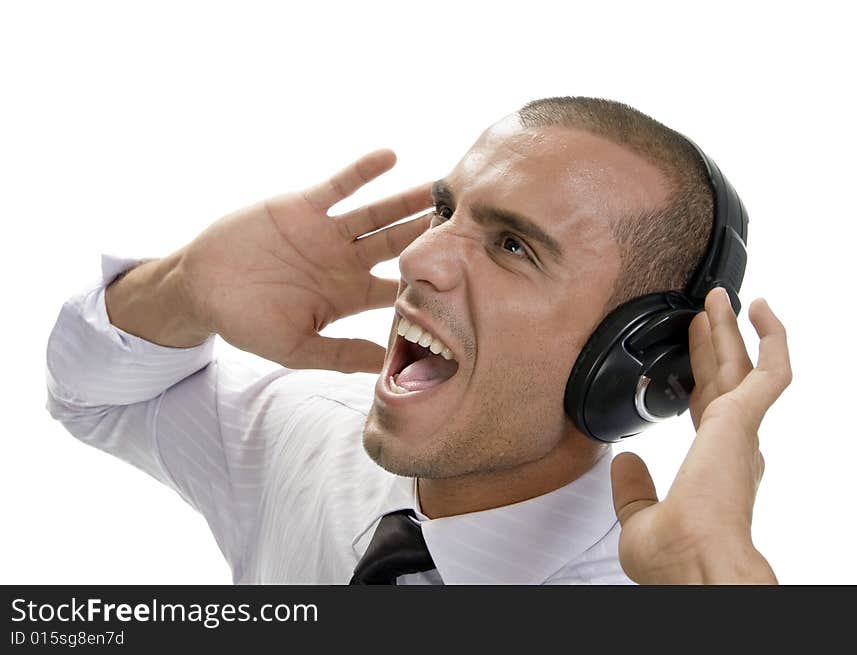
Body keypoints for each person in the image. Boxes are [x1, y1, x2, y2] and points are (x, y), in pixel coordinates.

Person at [45, 96, 791, 584]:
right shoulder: (303, 433)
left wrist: (710, 582)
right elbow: (93, 398)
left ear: (633, 361)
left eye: (512, 246)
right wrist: (184, 289)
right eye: (447, 210)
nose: (417, 258)